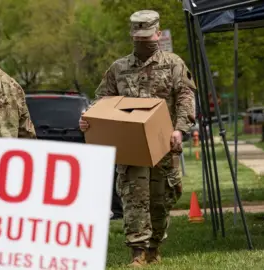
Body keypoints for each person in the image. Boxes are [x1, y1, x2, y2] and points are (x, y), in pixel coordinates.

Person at [79, 10, 196, 267]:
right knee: (133, 198)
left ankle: (154, 247)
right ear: (132, 36)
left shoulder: (174, 63)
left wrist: (180, 129)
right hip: (130, 148)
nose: (144, 42)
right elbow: (103, 102)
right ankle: (137, 253)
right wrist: (88, 119)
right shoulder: (118, 68)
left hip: (163, 145)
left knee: (161, 198)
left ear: (157, 33)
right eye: (139, 38)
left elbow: (185, 98)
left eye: (148, 37)